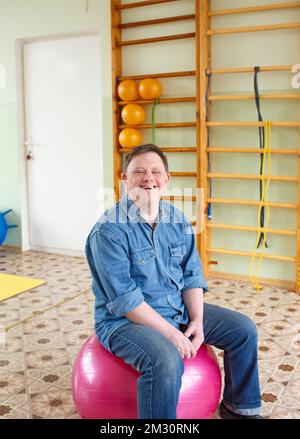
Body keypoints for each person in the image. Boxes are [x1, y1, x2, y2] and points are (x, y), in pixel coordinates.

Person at [85, 144, 263, 419]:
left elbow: (192, 276)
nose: (148, 178)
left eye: (156, 172)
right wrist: (172, 335)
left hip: (174, 308)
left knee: (243, 330)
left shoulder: (177, 220)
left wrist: (198, 322)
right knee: (165, 360)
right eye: (139, 172)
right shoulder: (108, 232)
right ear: (124, 179)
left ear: (166, 180)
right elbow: (127, 301)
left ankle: (240, 408)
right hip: (124, 322)